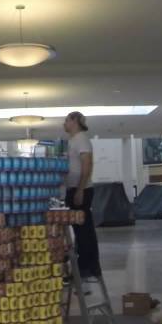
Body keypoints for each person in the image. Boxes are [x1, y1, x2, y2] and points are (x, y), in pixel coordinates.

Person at [63, 111, 102, 281]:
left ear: (75, 121)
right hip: (74, 188)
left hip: (81, 190)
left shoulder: (81, 139)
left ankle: (89, 266)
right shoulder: (73, 141)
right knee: (79, 229)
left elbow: (87, 165)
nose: (64, 124)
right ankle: (83, 265)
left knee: (84, 230)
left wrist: (80, 189)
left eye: (66, 120)